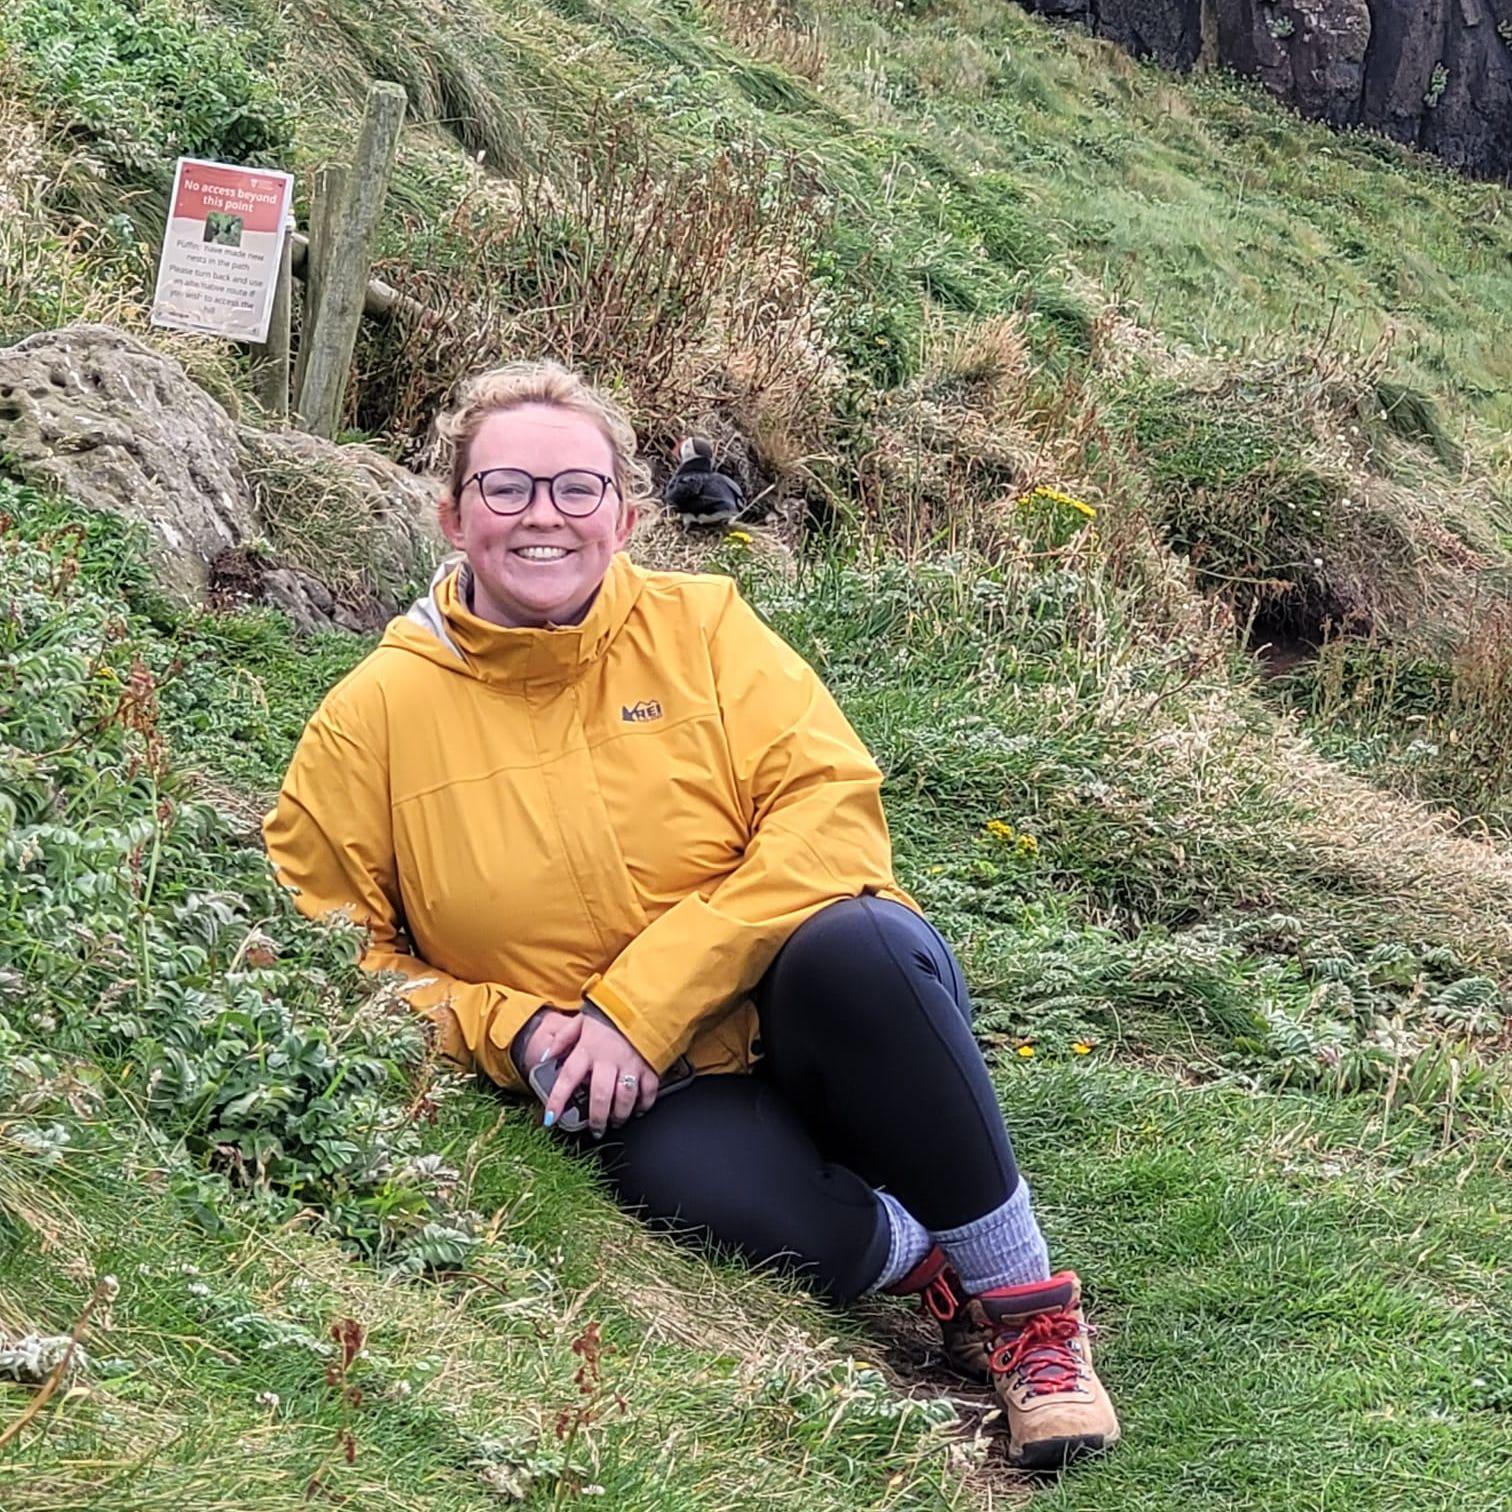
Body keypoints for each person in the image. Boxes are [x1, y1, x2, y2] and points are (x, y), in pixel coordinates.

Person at [262, 360, 1120, 1470]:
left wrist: (640, 1004)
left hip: (815, 1008)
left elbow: (830, 813)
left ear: (623, 515)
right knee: (671, 1180)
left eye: (577, 488)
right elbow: (333, 953)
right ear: (453, 515)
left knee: (859, 945)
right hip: (662, 1093)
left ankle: (1029, 1314)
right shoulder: (370, 718)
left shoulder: (707, 628)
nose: (543, 516)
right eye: (506, 487)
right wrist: (516, 1031)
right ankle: (929, 1263)